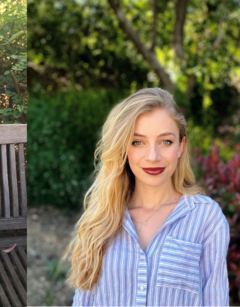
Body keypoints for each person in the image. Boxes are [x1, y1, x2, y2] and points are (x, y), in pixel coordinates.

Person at [65, 88, 229, 306]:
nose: (153, 156)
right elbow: (84, 299)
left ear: (181, 147)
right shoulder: (101, 218)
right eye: (138, 142)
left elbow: (216, 299)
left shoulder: (206, 218)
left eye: (166, 142)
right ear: (124, 148)